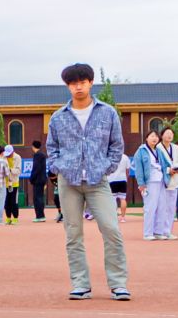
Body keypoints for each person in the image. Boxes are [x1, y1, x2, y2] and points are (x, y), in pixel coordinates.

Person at [45, 63, 130, 300]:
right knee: (73, 234)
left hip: (98, 181)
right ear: (67, 86)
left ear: (91, 83)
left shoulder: (107, 113)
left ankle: (118, 283)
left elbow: (117, 145)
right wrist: (59, 167)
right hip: (69, 182)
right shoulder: (58, 117)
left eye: (82, 82)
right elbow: (52, 148)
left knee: (111, 229)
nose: (78, 87)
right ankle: (80, 284)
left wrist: (106, 167)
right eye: (73, 83)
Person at [130, 130, 172, 240]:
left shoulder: (159, 151)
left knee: (161, 207)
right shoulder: (141, 151)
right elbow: (138, 168)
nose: (154, 138)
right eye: (152, 136)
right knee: (150, 207)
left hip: (161, 181)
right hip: (150, 182)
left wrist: (170, 171)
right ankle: (147, 233)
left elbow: (166, 164)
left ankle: (158, 232)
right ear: (146, 138)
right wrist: (141, 184)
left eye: (156, 136)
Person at [28, 138, 49, 221]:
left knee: (37, 198)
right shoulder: (42, 155)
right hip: (42, 179)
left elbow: (36, 168)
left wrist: (31, 178)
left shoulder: (37, 155)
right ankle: (41, 215)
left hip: (38, 180)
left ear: (33, 146)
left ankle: (39, 216)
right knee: (40, 197)